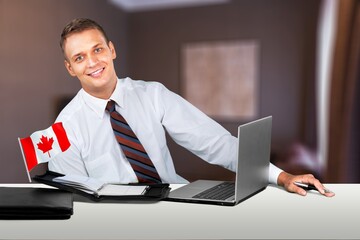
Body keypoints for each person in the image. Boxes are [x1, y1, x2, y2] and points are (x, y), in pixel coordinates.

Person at [49, 18, 334, 197]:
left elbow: (216, 143)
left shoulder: (153, 94)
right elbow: (71, 197)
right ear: (70, 68)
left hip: (175, 199)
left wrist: (282, 176)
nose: (92, 62)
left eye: (97, 49)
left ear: (111, 50)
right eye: (79, 57)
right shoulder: (63, 128)